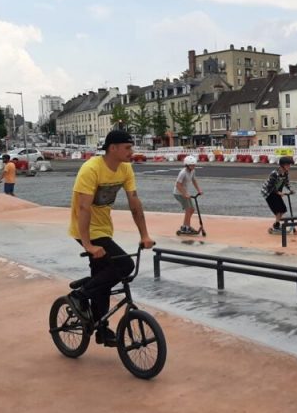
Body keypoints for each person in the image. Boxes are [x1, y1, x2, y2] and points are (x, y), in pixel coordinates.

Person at [67, 130, 155, 347]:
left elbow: (134, 202)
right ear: (112, 148)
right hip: (85, 230)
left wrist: (144, 235)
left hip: (105, 229)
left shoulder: (125, 168)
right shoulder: (91, 169)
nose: (131, 152)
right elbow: (83, 208)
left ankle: (100, 329)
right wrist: (88, 244)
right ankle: (80, 295)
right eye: (127, 147)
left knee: (103, 279)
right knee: (125, 264)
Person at [261, 156, 294, 234]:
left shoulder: (285, 173)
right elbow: (270, 186)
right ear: (282, 165)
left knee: (283, 209)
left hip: (276, 192)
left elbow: (286, 182)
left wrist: (290, 189)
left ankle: (276, 225)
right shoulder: (274, 173)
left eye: (289, 165)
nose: (289, 166)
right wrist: (279, 193)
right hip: (269, 193)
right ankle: (276, 226)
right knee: (278, 210)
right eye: (287, 165)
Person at [174, 155, 203, 235]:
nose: (193, 166)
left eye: (194, 165)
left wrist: (199, 190)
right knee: (188, 209)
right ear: (187, 165)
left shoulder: (193, 171)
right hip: (178, 193)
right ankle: (187, 227)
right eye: (191, 165)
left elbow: (194, 180)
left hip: (185, 193)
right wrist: (184, 194)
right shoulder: (183, 173)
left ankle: (184, 226)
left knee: (192, 209)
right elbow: (178, 185)